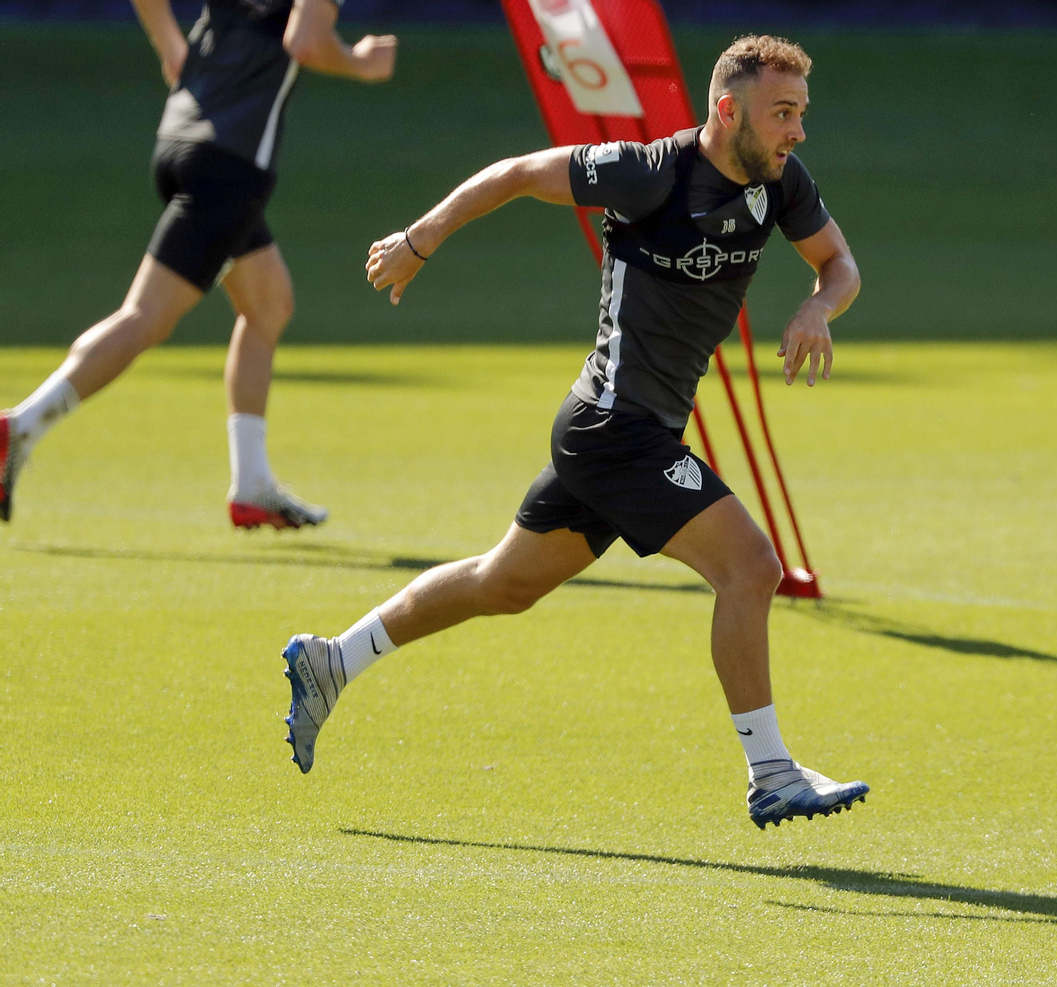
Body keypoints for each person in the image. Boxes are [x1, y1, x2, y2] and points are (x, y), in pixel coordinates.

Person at [279, 35, 868, 829]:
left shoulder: (781, 182)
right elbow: (518, 174)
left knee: (503, 584)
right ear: (728, 111)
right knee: (753, 568)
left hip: (626, 433)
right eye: (782, 113)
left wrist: (816, 306)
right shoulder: (649, 172)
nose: (797, 130)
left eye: (801, 112)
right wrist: (421, 239)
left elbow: (840, 265)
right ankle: (771, 772)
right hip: (613, 430)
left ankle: (330, 661)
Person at [0, 0, 398, 529]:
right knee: (146, 317)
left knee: (269, 304)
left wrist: (172, 49)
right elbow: (305, 42)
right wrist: (361, 61)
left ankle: (252, 485)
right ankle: (19, 427)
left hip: (182, 138)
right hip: (231, 165)